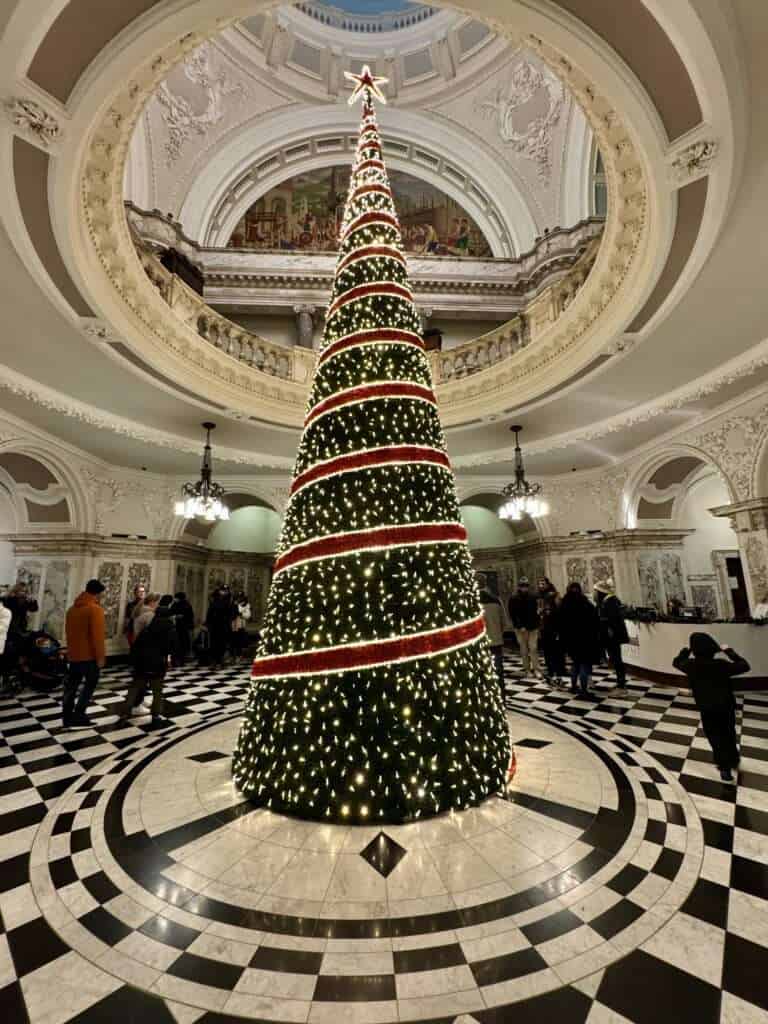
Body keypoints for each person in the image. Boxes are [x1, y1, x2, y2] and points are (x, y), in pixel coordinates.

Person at [673, 632, 749, 782]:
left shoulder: (691, 665)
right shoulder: (721, 665)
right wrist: (729, 652)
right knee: (728, 733)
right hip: (726, 706)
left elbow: (676, 662)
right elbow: (744, 666)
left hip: (706, 708)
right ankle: (733, 759)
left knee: (715, 737)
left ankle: (724, 767)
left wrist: (686, 651)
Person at [116, 593, 176, 729]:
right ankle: (155, 717)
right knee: (157, 691)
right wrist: (168, 659)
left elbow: (137, 643)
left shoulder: (147, 626)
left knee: (134, 688)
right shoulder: (169, 628)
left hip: (142, 661)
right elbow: (171, 647)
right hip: (158, 662)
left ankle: (125, 714)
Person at [63, 579, 106, 728]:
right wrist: (100, 657)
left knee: (71, 688)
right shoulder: (95, 609)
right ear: (98, 593)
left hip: (74, 655)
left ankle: (67, 718)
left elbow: (68, 633)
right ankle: (79, 715)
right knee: (89, 686)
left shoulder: (72, 609)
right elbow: (97, 636)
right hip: (89, 657)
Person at [558, 581, 600, 696]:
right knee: (584, 664)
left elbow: (560, 623)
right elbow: (594, 619)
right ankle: (584, 690)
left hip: (571, 640)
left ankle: (573, 687)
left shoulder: (564, 603)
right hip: (585, 638)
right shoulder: (584, 602)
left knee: (576, 663)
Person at [595, 579, 630, 691]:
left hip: (613, 637)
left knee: (617, 660)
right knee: (616, 660)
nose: (594, 594)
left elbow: (611, 621)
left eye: (596, 591)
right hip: (612, 637)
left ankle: (621, 686)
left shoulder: (610, 602)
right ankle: (620, 683)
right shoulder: (608, 601)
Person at [477, 574, 505, 689]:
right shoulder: (496, 600)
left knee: (482, 672)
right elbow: (504, 622)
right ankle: (500, 694)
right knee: (498, 671)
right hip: (496, 640)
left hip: (480, 642)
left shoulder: (470, 601)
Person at [508, 578, 540, 677]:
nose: (524, 588)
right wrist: (520, 626)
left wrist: (537, 623)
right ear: (519, 587)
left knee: (533, 648)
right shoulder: (514, 598)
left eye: (526, 586)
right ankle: (527, 670)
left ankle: (536, 669)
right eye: (522, 586)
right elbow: (513, 614)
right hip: (520, 628)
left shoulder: (533, 596)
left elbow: (536, 611)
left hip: (532, 626)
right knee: (524, 649)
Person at [537, 578, 564, 686]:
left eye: (543, 583)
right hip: (544, 628)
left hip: (554, 628)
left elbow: (559, 611)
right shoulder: (540, 596)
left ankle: (558, 675)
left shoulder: (554, 595)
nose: (541, 585)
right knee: (547, 653)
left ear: (548, 584)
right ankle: (551, 674)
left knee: (556, 653)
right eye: (539, 584)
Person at [206, 586, 236, 665]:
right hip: (219, 626)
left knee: (219, 643)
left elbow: (231, 614)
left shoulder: (226, 602)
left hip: (220, 626)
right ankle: (217, 660)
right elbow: (210, 614)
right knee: (217, 644)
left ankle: (217, 660)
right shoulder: (220, 602)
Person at [171, 591, 195, 664]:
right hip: (180, 627)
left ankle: (182, 658)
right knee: (181, 643)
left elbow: (189, 616)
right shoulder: (180, 604)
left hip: (183, 627)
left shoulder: (185, 605)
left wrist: (180, 616)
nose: (174, 599)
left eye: (176, 597)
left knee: (182, 643)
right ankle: (180, 658)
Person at [231, 592, 252, 660]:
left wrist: (241, 614)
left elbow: (248, 615)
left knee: (240, 641)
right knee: (234, 641)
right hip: (234, 625)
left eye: (241, 597)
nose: (240, 599)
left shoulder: (246, 605)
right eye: (239, 597)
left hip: (241, 625)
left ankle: (239, 655)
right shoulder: (234, 604)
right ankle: (234, 656)